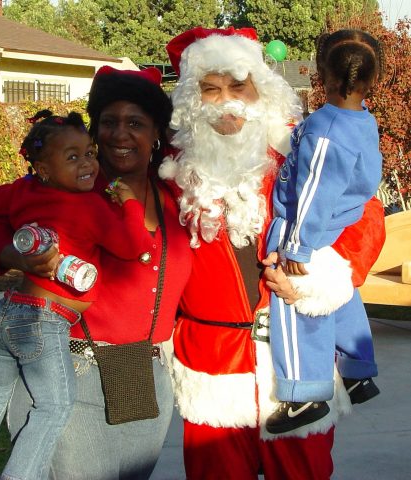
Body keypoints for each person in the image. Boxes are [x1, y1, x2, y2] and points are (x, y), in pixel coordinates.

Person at [159, 26, 385, 479]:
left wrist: (318, 276)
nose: (227, 101)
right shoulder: (170, 176)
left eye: (238, 86)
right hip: (213, 369)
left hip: (300, 365)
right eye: (211, 89)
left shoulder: (300, 154)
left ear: (261, 89)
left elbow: (366, 217)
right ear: (192, 99)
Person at [0, 67, 192, 480]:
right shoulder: (68, 187)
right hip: (69, 368)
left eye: (136, 123)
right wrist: (17, 257)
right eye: (109, 122)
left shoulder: (172, 195)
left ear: (157, 132)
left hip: (148, 374)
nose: (120, 135)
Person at [0, 110, 153, 480]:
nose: (87, 163)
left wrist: (25, 189)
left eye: (88, 153)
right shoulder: (92, 207)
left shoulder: (25, 191)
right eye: (71, 158)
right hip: (45, 320)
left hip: (7, 313)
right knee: (55, 406)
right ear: (42, 166)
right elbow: (134, 245)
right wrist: (131, 204)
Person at [265, 29, 384, 434]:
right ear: (372, 79)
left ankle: (304, 394)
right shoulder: (362, 119)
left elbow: (314, 191)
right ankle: (356, 369)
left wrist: (296, 248)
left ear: (324, 76)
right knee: (343, 295)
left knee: (295, 308)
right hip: (342, 223)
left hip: (307, 229)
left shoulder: (325, 128)